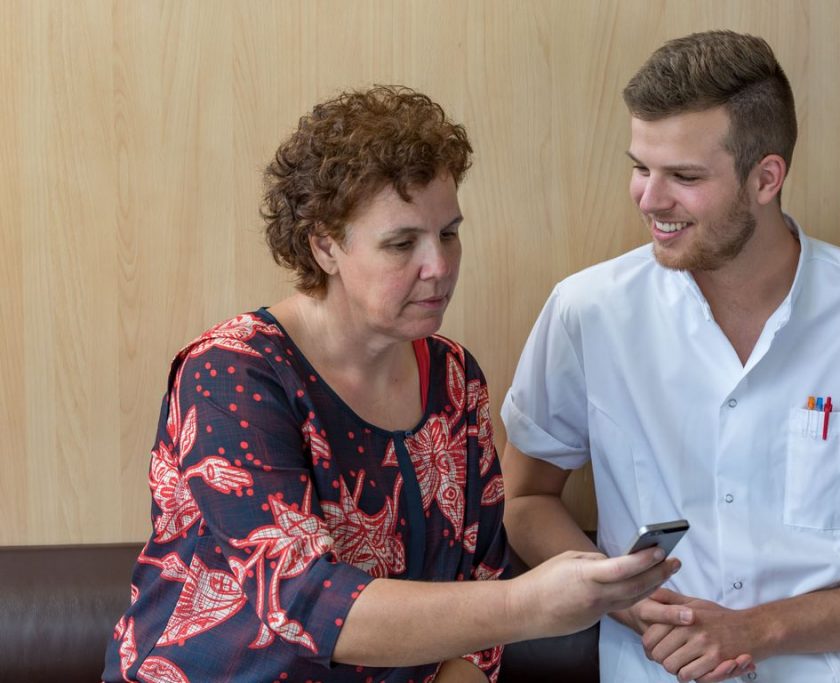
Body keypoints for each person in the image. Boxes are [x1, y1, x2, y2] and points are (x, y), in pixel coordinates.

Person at [102, 85, 679, 683]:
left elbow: (476, 582)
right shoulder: (233, 373)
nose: (440, 266)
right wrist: (530, 604)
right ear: (324, 245)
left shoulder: (454, 378)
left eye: (449, 233)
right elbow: (307, 601)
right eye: (402, 243)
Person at [500, 31, 840, 683]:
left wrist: (760, 629)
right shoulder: (587, 312)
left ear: (766, 177)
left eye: (684, 177)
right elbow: (525, 501)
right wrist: (630, 601)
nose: (649, 199)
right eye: (641, 166)